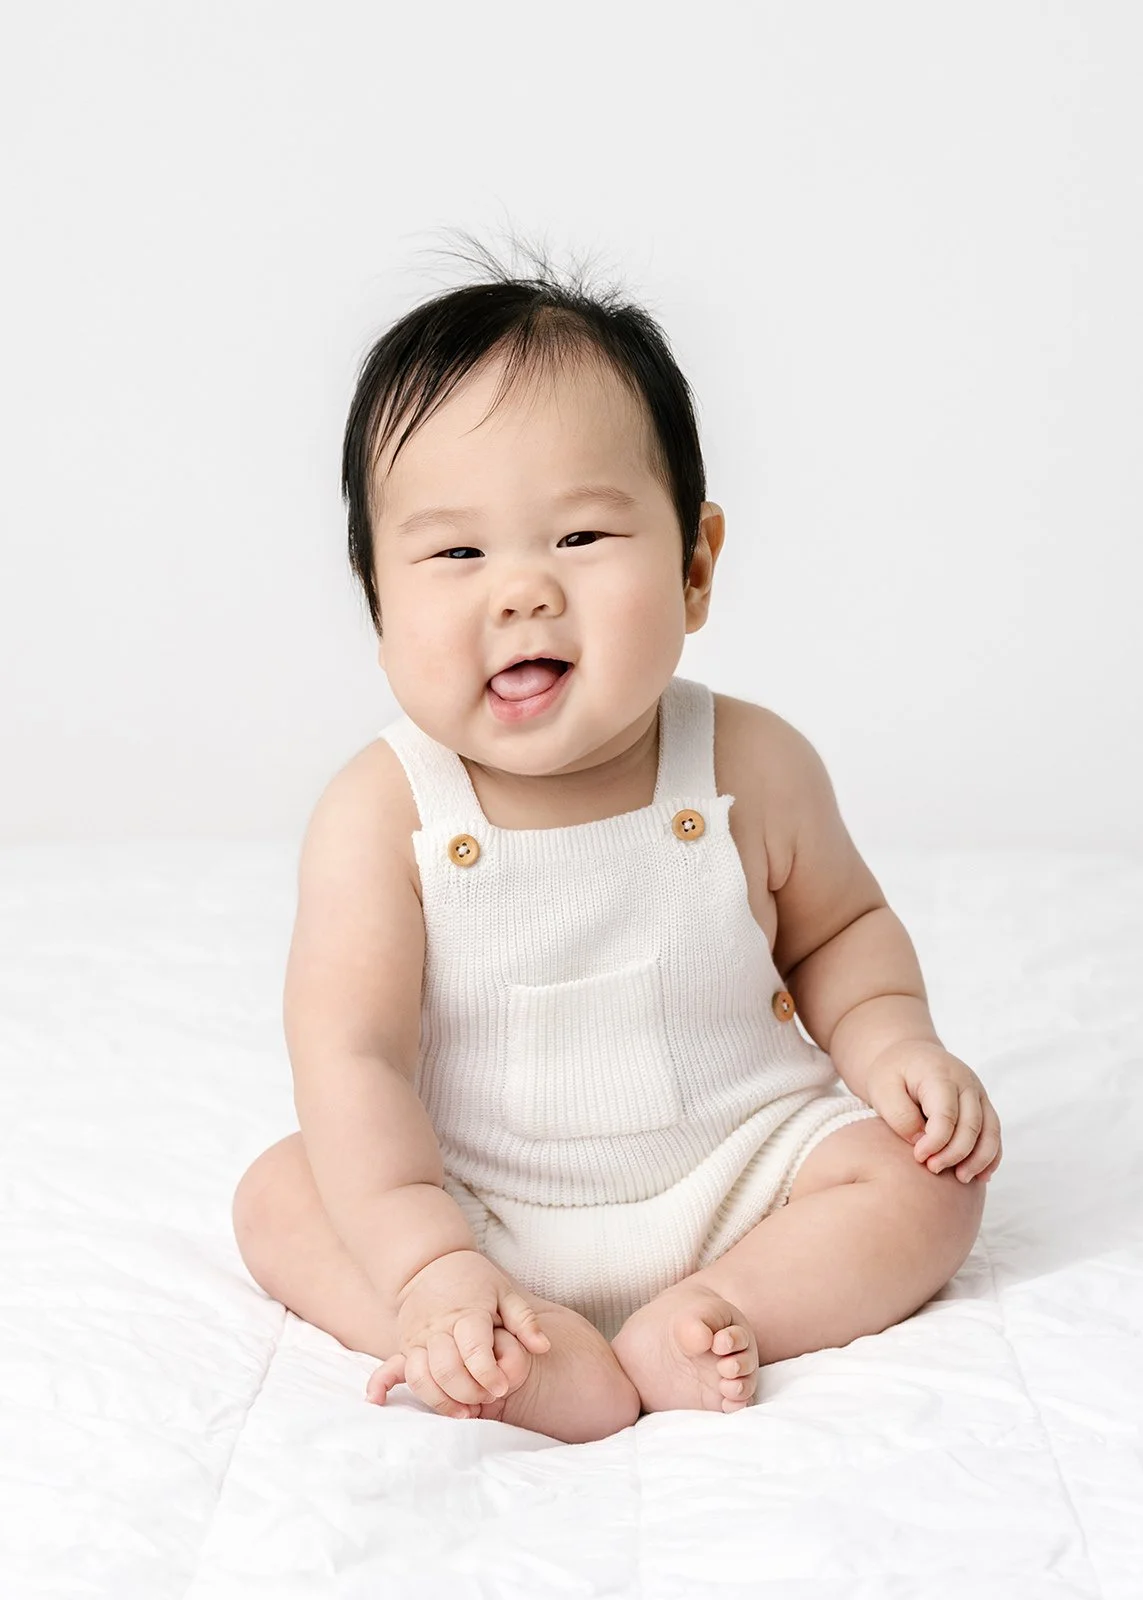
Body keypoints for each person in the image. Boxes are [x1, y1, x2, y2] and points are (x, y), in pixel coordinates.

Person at [231, 232, 1003, 1445]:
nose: (524, 590)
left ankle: (714, 1309)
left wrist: (896, 1043)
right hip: (479, 1201)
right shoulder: (383, 812)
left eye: (582, 539)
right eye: (456, 553)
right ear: (378, 602)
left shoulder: (751, 762)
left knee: (928, 1184)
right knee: (282, 1192)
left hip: (739, 1172)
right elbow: (356, 1060)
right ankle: (484, 1331)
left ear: (697, 566)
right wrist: (429, 1258)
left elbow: (842, 931)